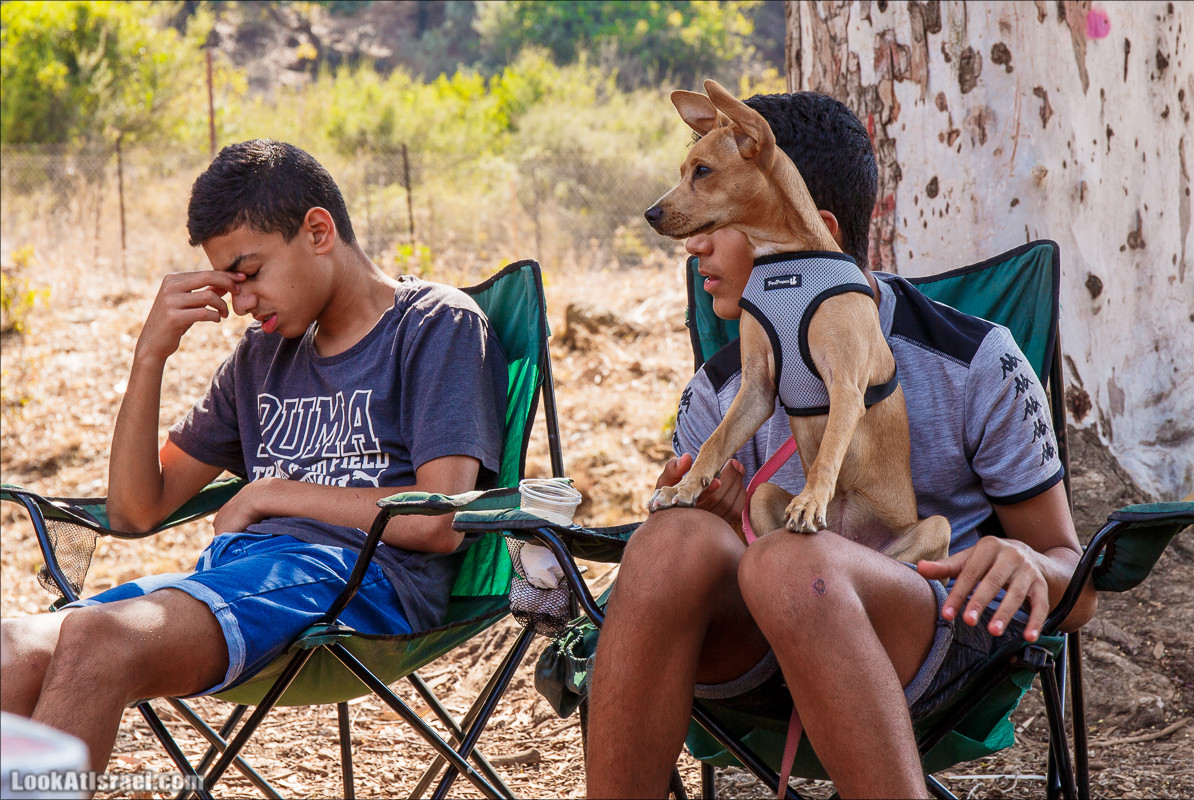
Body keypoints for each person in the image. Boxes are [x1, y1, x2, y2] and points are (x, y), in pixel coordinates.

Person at [585, 92, 1098, 798]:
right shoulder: (720, 386)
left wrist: (1030, 564)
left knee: (797, 564)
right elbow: (695, 577)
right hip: (762, 658)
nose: (694, 242)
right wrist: (713, 519)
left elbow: (1080, 585)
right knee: (670, 544)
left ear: (804, 234)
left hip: (931, 645)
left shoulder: (973, 360)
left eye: (717, 216)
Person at [0, 140, 509, 774]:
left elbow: (438, 520)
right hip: (241, 577)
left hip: (364, 584)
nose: (241, 304)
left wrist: (270, 493)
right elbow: (134, 511)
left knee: (97, 639)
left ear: (318, 230)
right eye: (229, 283)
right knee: (12, 647)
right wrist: (150, 353)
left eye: (251, 273)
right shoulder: (261, 357)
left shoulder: (435, 324)